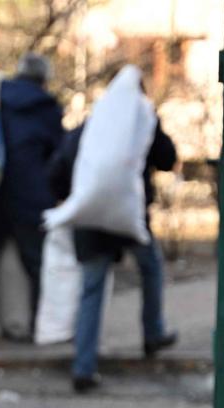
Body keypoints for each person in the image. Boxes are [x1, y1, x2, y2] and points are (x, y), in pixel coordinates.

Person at [48, 111, 179, 393]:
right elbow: (167, 159)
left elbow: (54, 175)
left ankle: (83, 368)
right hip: (128, 217)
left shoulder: (82, 131)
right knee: (151, 268)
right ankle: (153, 332)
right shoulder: (138, 123)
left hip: (89, 224)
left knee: (91, 291)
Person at [0, 53, 64, 342]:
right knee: (38, 267)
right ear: (43, 79)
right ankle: (39, 329)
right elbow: (58, 153)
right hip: (31, 196)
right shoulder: (48, 108)